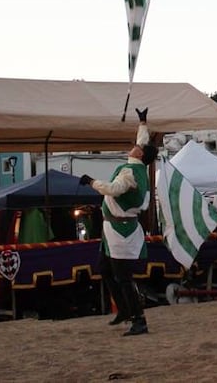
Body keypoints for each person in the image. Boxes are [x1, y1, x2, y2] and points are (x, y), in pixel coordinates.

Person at [79, 107, 157, 336]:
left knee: (123, 278)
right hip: (112, 228)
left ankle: (139, 319)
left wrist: (91, 181)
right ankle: (124, 309)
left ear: (140, 155)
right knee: (104, 269)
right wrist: (143, 121)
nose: (135, 146)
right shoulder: (138, 166)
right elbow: (142, 141)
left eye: (138, 147)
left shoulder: (129, 174)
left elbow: (113, 189)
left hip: (120, 229)